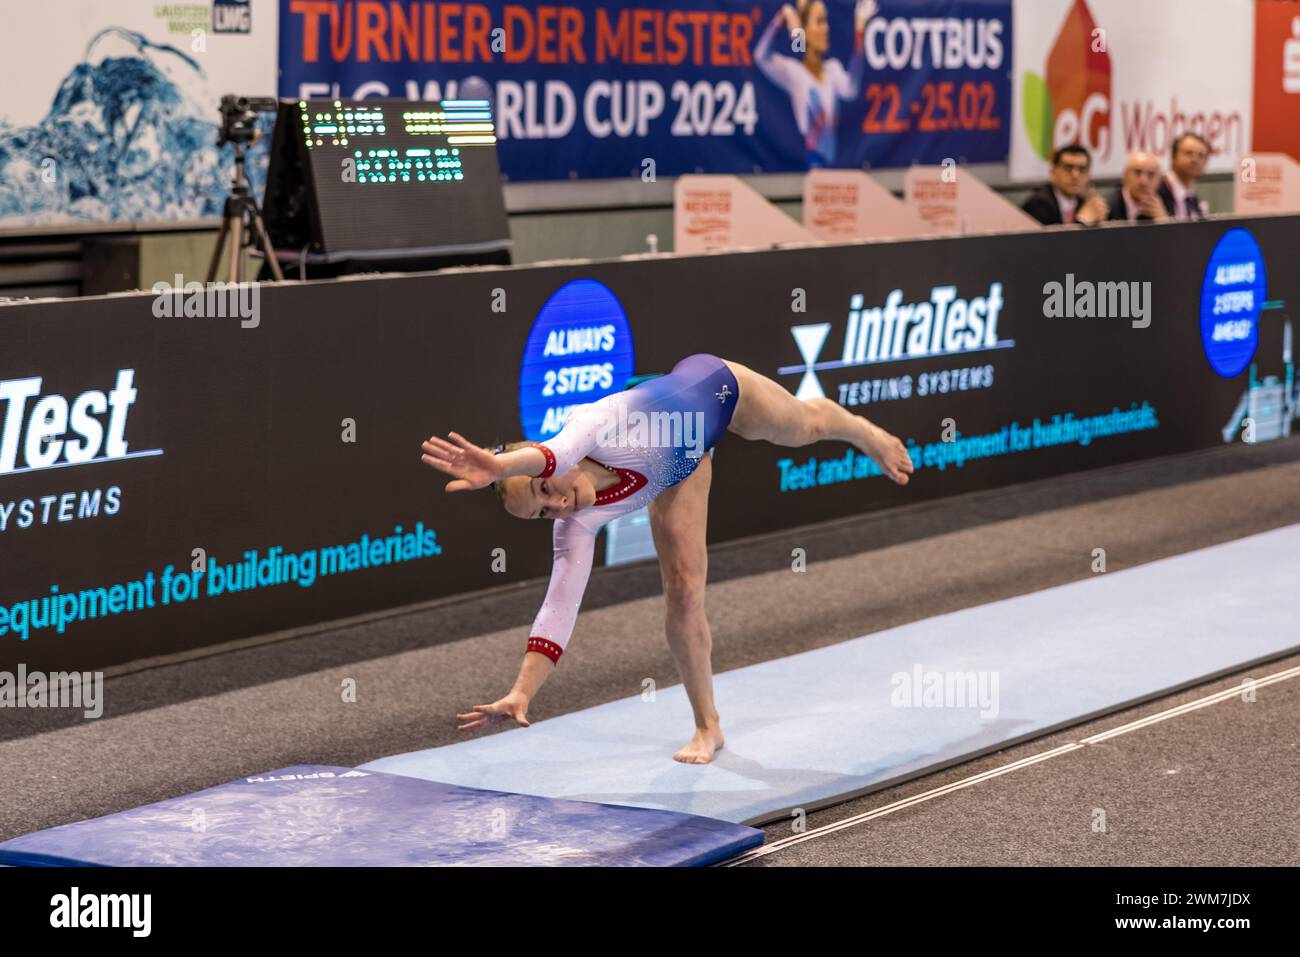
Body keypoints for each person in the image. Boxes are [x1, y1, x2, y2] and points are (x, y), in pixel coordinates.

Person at [420, 354, 914, 764]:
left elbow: (554, 452)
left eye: (546, 489)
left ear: (549, 462)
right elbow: (558, 607)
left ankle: (864, 432)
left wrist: (499, 466)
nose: (558, 506)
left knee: (805, 427)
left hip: (715, 392)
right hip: (681, 466)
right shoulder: (576, 525)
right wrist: (522, 692)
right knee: (682, 588)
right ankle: (709, 726)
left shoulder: (590, 427)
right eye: (541, 514)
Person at [755, 0, 878, 168]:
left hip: (832, 169)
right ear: (805, 29)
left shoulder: (832, 71)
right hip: (807, 167)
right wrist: (780, 21)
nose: (826, 29)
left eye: (826, 21)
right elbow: (763, 56)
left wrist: (859, 32)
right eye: (819, 22)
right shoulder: (796, 74)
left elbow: (851, 89)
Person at [1021, 144, 1109, 226]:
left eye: (1082, 169)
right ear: (1053, 173)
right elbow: (1051, 242)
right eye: (1068, 168)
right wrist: (1081, 222)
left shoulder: (1083, 202)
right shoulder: (1038, 205)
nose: (1075, 175)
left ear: (1088, 176)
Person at [1107, 151, 1171, 223]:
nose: (1143, 182)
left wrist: (1164, 221)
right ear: (1125, 176)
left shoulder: (1166, 203)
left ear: (1159, 182)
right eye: (1137, 172)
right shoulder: (1109, 208)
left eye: (1151, 175)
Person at [1158, 132, 1209, 221]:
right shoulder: (1157, 190)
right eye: (1188, 153)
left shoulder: (1192, 198)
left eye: (1201, 155)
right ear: (1173, 157)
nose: (1195, 159)